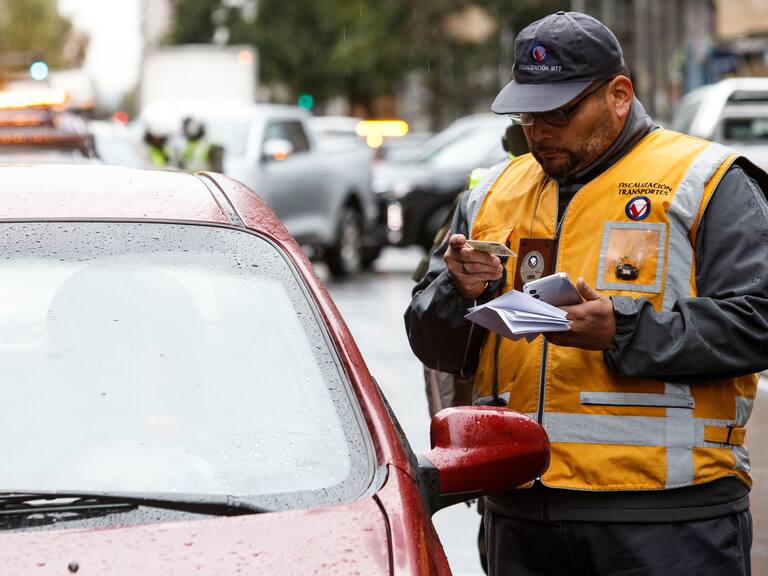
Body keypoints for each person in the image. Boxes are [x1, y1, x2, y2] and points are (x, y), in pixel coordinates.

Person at [405, 10, 768, 576]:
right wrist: (458, 291)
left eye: (559, 112)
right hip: (520, 513)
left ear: (619, 96)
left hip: (667, 520)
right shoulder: (492, 193)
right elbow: (433, 345)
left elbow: (758, 321)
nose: (539, 131)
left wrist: (624, 331)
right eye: (527, 114)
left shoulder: (706, 180)